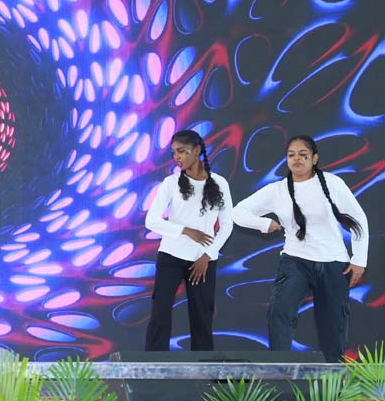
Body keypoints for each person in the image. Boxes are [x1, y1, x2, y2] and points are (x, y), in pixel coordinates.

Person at [233, 135, 368, 363]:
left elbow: (357, 219)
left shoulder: (332, 183)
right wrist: (264, 224)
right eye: (291, 155)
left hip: (333, 261)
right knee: (279, 311)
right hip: (295, 260)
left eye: (303, 155)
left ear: (314, 158)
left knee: (333, 323)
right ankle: (281, 368)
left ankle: (333, 376)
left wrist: (359, 260)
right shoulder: (277, 190)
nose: (296, 159)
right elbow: (237, 212)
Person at [144, 130, 233, 351]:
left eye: (182, 151)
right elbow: (151, 221)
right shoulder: (171, 183)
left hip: (203, 261)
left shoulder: (219, 183)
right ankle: (154, 365)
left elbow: (227, 225)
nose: (177, 157)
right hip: (171, 256)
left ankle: (203, 367)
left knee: (202, 316)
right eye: (174, 152)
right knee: (160, 313)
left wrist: (207, 256)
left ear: (197, 151)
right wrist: (185, 231)